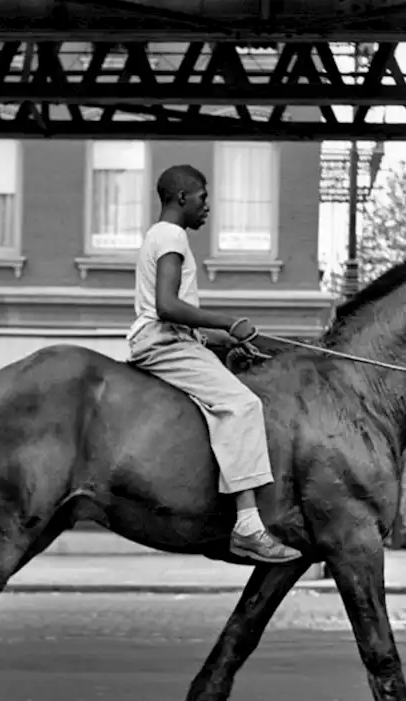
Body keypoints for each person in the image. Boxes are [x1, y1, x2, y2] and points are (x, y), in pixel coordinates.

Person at [127, 164, 302, 564]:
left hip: (168, 338)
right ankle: (247, 525)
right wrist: (227, 321)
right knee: (242, 405)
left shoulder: (160, 235)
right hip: (164, 342)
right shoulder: (171, 236)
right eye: (204, 198)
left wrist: (225, 339)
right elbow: (167, 306)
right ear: (182, 197)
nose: (208, 207)